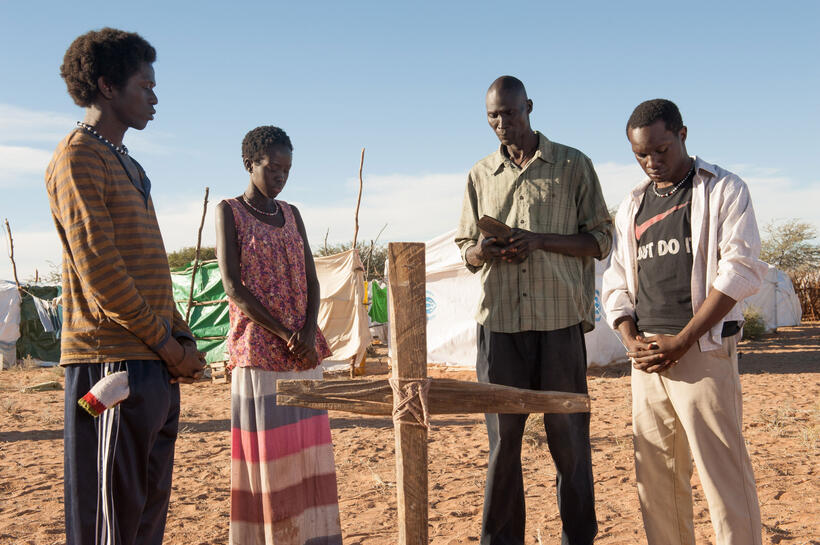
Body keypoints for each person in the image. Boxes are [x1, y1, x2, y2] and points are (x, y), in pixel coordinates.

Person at [46, 28, 205, 545]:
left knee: (142, 520)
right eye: (146, 85)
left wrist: (181, 341)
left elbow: (151, 269)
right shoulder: (77, 157)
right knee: (107, 523)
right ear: (107, 86)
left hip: (151, 365)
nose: (155, 97)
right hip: (110, 364)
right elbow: (102, 272)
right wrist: (164, 344)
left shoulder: (129, 165)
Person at [455, 76, 613, 545]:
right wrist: (484, 250)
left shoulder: (572, 165)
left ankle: (578, 538)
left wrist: (541, 240)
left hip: (559, 324)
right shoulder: (480, 174)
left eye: (510, 112)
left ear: (529, 107)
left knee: (569, 444)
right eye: (493, 116)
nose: (502, 123)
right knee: (503, 447)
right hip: (499, 325)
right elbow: (465, 246)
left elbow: (601, 239)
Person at [601, 98, 766, 545]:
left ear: (683, 135)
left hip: (703, 351)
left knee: (722, 475)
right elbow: (616, 282)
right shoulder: (631, 205)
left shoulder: (723, 189)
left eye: (661, 149)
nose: (651, 162)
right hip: (648, 360)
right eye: (640, 154)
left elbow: (740, 269)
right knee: (656, 478)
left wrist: (685, 340)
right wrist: (629, 337)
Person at [215, 126, 342, 545]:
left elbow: (311, 279)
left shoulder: (292, 213)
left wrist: (306, 332)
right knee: (271, 464)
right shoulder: (228, 211)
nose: (281, 176)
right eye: (273, 167)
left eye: (288, 169)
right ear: (250, 163)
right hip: (259, 354)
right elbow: (234, 286)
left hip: (304, 355)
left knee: (308, 458)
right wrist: (286, 333)